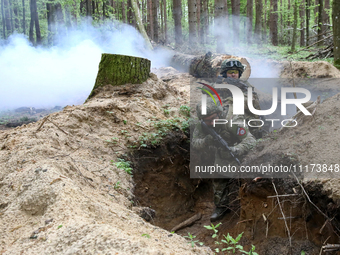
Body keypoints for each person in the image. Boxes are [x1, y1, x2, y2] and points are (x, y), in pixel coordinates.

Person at [192, 98, 256, 221]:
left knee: (247, 181)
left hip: (241, 154)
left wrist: (237, 149)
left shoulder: (232, 121)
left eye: (213, 119)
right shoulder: (203, 124)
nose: (211, 123)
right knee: (218, 180)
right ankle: (221, 206)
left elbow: (251, 140)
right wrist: (206, 141)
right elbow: (195, 143)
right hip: (221, 156)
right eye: (207, 121)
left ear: (219, 113)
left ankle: (250, 205)